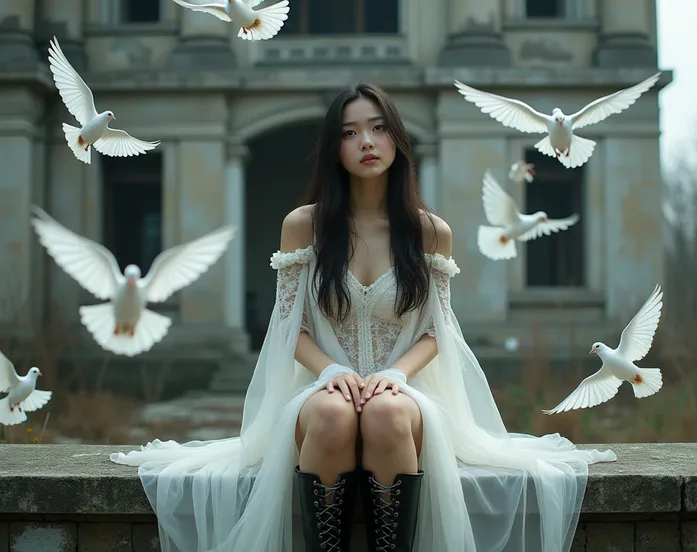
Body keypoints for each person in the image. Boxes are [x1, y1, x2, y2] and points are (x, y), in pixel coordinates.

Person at [110, 83, 616, 552]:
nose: (366, 142)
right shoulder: (303, 226)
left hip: (407, 392)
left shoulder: (430, 232)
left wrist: (396, 376)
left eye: (377, 128)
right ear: (335, 148)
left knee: (385, 413)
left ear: (396, 137)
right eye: (350, 133)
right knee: (333, 413)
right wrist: (332, 371)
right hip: (321, 388)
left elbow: (439, 329)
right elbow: (290, 328)